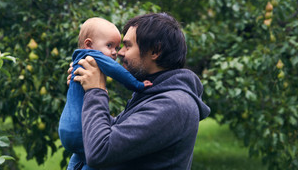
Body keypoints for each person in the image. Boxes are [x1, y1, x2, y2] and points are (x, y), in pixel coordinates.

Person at [73, 13, 211, 169]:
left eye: (128, 45)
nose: (120, 52)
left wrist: (96, 90)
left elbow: (100, 151)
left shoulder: (171, 105)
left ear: (155, 51)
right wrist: (82, 90)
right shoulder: (154, 92)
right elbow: (115, 131)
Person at [58, 17, 152, 170]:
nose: (115, 53)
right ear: (89, 44)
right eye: (110, 46)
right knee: (97, 160)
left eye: (117, 46)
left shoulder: (78, 59)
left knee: (79, 157)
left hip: (66, 128)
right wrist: (138, 85)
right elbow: (117, 72)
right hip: (81, 128)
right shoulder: (95, 56)